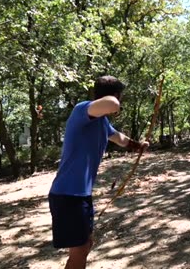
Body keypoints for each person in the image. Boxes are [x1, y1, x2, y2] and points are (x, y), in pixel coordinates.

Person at [48, 75, 149, 269]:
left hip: (80, 195)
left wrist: (138, 145)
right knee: (80, 248)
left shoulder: (101, 122)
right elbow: (111, 103)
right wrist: (116, 102)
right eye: (121, 96)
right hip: (67, 195)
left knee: (85, 245)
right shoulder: (82, 110)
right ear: (117, 94)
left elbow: (119, 138)